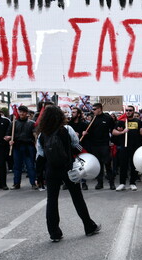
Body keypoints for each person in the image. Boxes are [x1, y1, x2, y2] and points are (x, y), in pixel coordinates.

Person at [36, 105, 101, 242]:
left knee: (52, 201)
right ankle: (89, 227)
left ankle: (54, 233)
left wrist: (38, 176)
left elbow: (40, 155)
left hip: (51, 170)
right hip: (68, 169)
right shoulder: (67, 129)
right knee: (77, 198)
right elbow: (77, 146)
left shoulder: (42, 134)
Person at [81, 103, 115, 190]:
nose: (93, 110)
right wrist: (85, 133)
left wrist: (113, 141)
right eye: (93, 109)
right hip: (95, 145)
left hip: (104, 144)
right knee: (98, 165)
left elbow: (112, 130)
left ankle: (111, 183)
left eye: (95, 109)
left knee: (107, 164)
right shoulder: (93, 119)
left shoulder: (108, 118)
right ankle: (100, 183)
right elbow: (90, 132)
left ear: (100, 109)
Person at [113, 106, 142, 191]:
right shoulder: (121, 121)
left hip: (135, 147)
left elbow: (141, 131)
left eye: (130, 110)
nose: (128, 112)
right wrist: (122, 132)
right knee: (123, 165)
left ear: (133, 111)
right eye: (127, 110)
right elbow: (113, 132)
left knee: (134, 166)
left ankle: (132, 183)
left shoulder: (138, 121)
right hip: (124, 147)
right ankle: (122, 183)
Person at [9, 105, 37, 190]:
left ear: (26, 113)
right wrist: (9, 140)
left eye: (23, 112)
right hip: (17, 147)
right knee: (17, 166)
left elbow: (35, 136)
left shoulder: (32, 123)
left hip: (28, 147)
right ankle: (16, 183)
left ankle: (33, 183)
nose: (21, 113)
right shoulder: (13, 123)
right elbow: (8, 135)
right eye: (20, 111)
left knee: (30, 166)